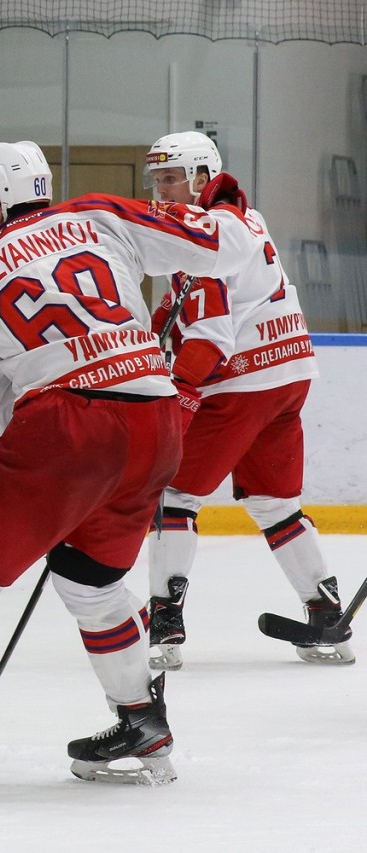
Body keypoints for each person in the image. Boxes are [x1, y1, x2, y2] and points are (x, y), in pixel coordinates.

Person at [0, 140, 267, 803]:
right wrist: (228, 207)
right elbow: (224, 248)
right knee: (91, 579)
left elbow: (3, 407)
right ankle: (142, 721)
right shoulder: (99, 214)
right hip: (155, 421)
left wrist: (56, 485)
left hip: (65, 423)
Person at [141, 131, 351, 669]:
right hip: (289, 372)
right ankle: (327, 615)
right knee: (275, 504)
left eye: (172, 178)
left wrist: (181, 393)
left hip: (243, 381)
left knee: (173, 497)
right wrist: (169, 314)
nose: (162, 190)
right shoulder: (241, 217)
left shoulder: (202, 234)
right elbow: (216, 294)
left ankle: (165, 622)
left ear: (201, 177)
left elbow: (213, 334)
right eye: (157, 179)